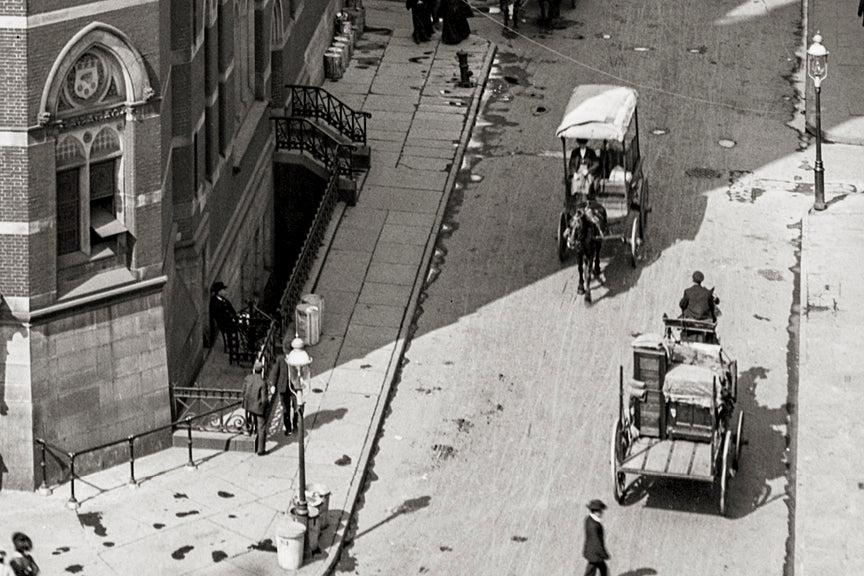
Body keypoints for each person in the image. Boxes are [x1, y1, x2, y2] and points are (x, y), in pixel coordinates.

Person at [267, 337, 298, 436]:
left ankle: (295, 424)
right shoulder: (280, 359)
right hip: (283, 387)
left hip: (293, 387)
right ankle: (288, 426)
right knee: (285, 408)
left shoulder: (297, 358)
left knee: (296, 407)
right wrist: (273, 385)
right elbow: (275, 373)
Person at [242, 360, 269, 455]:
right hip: (258, 408)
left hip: (248, 406)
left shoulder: (248, 378)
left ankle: (248, 429)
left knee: (251, 420)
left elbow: (243, 392)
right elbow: (264, 399)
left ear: (254, 369)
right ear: (261, 371)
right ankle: (260, 450)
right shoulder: (262, 383)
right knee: (261, 428)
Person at [582, 500, 610, 576]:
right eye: (600, 511)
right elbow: (596, 541)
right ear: (596, 512)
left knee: (601, 568)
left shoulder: (588, 520)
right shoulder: (594, 525)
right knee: (592, 571)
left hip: (591, 552)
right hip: (595, 553)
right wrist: (604, 554)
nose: (602, 513)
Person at [209, 281, 238, 349]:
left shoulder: (223, 299)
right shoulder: (215, 301)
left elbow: (231, 308)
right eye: (223, 290)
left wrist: (234, 316)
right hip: (224, 323)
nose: (225, 292)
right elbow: (219, 314)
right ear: (219, 291)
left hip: (228, 320)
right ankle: (231, 344)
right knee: (239, 326)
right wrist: (231, 318)